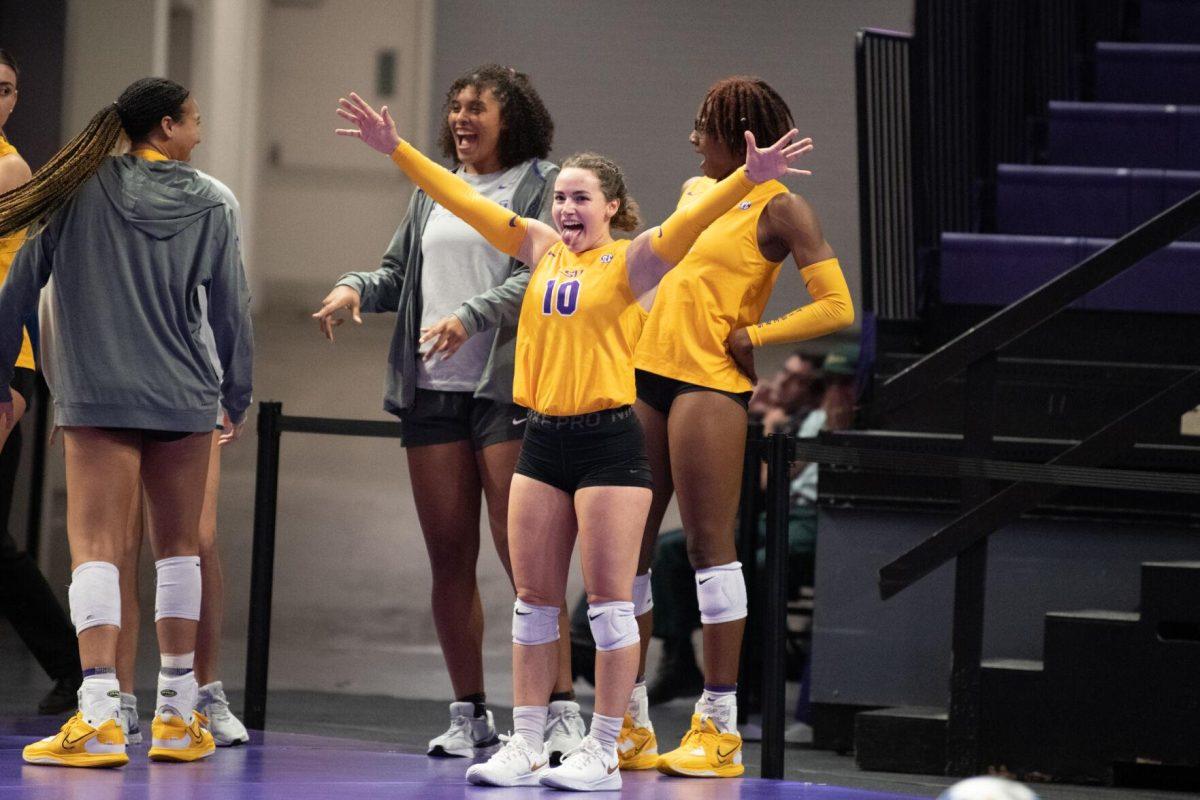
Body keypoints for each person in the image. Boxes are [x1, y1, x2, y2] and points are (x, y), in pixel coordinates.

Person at [334, 91, 809, 791]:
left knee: (614, 603)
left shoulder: (634, 261)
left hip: (609, 445)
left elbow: (696, 221)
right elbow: (461, 202)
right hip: (541, 441)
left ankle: (605, 748)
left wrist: (749, 175)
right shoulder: (539, 247)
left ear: (611, 207)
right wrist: (397, 151)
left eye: (581, 198)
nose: (566, 209)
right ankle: (527, 744)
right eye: (559, 198)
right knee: (534, 603)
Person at [313, 65, 583, 761]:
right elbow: (399, 274)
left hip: (507, 391)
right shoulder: (433, 188)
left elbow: (549, 272)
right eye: (456, 107)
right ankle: (471, 714)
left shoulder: (544, 186)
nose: (462, 118)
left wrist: (473, 314)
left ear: (511, 116)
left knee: (526, 556)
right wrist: (352, 289)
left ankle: (556, 709)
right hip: (432, 392)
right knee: (449, 558)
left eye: (478, 108)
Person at [0, 76, 253, 768]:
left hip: (99, 400)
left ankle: (100, 718)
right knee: (178, 551)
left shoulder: (76, 189)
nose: (199, 133)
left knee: (97, 550)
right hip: (185, 398)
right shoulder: (211, 203)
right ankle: (175, 719)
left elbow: (18, 284)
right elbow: (232, 308)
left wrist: (1, 376)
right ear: (166, 128)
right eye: (195, 121)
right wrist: (237, 391)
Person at [626, 76, 854, 778]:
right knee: (625, 548)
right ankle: (626, 720)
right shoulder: (698, 193)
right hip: (645, 375)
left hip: (708, 387)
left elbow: (837, 306)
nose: (694, 139)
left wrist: (760, 332)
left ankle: (717, 727)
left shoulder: (784, 209)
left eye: (705, 127)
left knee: (707, 546)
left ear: (742, 135)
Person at [103, 141, 251, 748]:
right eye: (192, 121)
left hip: (187, 390)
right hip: (113, 388)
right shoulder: (94, 204)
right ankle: (113, 700)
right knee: (116, 545)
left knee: (194, 539)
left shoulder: (212, 202)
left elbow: (226, 303)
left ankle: (200, 693)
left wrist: (227, 391)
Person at [0, 46, 82, 717]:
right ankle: (74, 665)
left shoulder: (8, 167)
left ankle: (75, 665)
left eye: (6, 89)